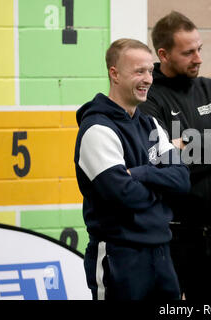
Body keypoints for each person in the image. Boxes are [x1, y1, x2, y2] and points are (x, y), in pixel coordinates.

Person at [139, 11, 211, 300]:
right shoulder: (149, 96)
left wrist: (186, 145)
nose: (198, 58)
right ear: (163, 54)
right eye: (188, 52)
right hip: (170, 236)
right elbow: (160, 160)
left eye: (199, 49)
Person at [74, 38, 190, 300]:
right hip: (120, 257)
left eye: (150, 70)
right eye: (139, 71)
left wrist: (142, 173)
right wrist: (162, 193)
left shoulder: (151, 125)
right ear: (114, 74)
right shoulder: (97, 129)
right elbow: (124, 195)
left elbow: (182, 180)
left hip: (160, 252)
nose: (148, 79)